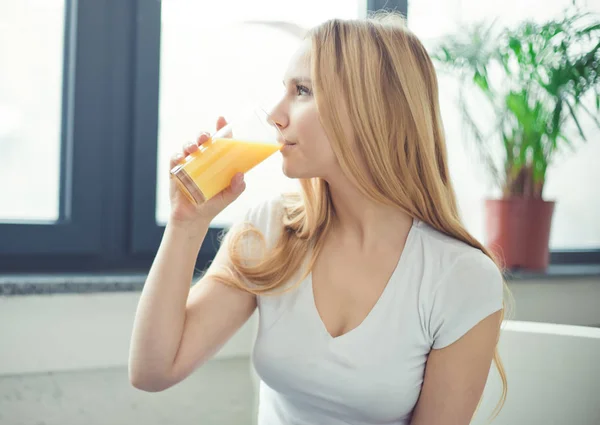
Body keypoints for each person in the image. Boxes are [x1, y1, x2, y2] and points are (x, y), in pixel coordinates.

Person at [129, 12, 509, 425]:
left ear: (372, 110)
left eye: (303, 90)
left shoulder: (459, 278)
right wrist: (186, 224)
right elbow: (153, 371)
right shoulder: (274, 229)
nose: (276, 113)